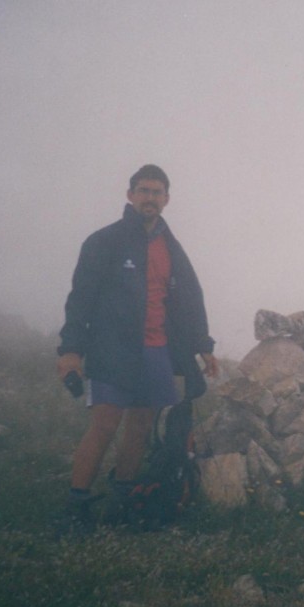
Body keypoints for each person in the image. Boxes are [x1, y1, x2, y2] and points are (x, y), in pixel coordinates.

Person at [56, 164, 218, 532]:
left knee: (141, 425)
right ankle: (75, 507)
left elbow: (190, 297)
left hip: (156, 349)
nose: (150, 198)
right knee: (105, 424)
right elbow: (80, 298)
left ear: (167, 199)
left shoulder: (170, 246)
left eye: (157, 192)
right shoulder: (104, 242)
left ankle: (124, 498)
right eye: (143, 191)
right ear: (130, 195)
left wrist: (202, 344)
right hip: (112, 349)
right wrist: (70, 350)